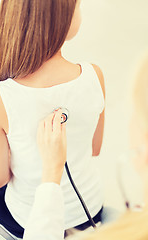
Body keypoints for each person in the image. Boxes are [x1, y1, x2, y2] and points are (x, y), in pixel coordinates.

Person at [0, 0, 106, 238]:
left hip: (28, 219)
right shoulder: (95, 75)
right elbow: (94, 148)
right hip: (91, 212)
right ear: (62, 19)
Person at [23, 54, 148, 240]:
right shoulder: (94, 74)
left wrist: (51, 171)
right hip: (94, 206)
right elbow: (94, 150)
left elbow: (0, 179)